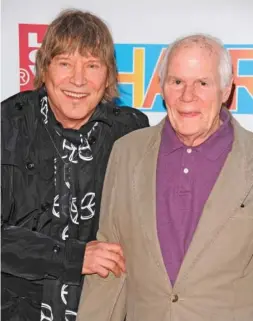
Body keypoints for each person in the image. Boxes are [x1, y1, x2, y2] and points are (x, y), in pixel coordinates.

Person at [77, 34, 253, 321]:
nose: (187, 96)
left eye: (203, 83)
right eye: (177, 82)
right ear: (162, 88)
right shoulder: (127, 152)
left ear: (226, 90)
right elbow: (110, 265)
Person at [1, 9, 149, 321]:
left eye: (92, 65)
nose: (78, 80)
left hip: (102, 307)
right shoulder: (8, 125)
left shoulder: (132, 131)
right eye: (65, 63)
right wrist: (73, 257)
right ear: (44, 68)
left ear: (107, 75)